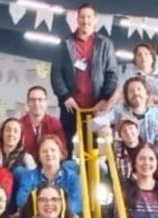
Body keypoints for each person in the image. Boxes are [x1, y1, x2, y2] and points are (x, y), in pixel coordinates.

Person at [51, 2, 118, 145]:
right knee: (67, 145)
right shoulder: (65, 43)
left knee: (98, 147)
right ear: (77, 19)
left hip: (97, 107)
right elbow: (56, 72)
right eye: (82, 17)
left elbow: (112, 73)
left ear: (95, 19)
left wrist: (104, 98)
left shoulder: (106, 44)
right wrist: (65, 96)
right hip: (70, 107)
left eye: (89, 17)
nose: (85, 20)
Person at [14, 135, 83, 215]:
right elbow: (22, 201)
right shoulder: (28, 176)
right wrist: (46, 213)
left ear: (61, 153)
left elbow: (76, 205)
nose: (49, 153)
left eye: (53, 150)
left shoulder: (72, 177)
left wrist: (55, 213)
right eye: (44, 151)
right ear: (39, 156)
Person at [98, 77, 158, 154]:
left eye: (139, 89)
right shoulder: (119, 110)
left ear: (147, 94)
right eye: (131, 91)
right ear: (127, 97)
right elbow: (98, 120)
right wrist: (105, 126)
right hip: (124, 156)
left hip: (152, 159)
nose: (136, 93)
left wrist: (150, 157)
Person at [113, 43, 158, 109]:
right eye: (139, 55)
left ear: (152, 57)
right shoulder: (129, 71)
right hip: (132, 110)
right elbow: (119, 94)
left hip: (157, 112)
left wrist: (154, 98)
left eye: (146, 54)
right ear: (135, 60)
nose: (143, 57)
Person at [19, 86, 66, 161]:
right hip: (26, 167)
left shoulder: (54, 123)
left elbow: (62, 150)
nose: (36, 103)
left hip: (50, 164)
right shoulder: (19, 125)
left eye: (40, 100)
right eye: (32, 100)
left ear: (46, 103)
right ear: (27, 103)